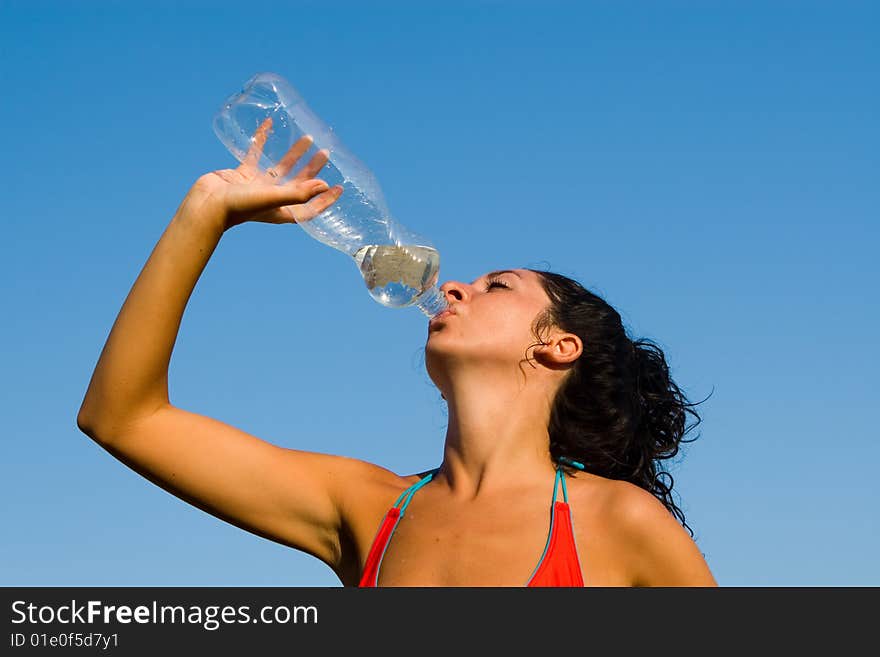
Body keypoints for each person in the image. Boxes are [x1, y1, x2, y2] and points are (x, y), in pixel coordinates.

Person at [77, 128, 718, 587]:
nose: (457, 285)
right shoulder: (365, 507)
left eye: (498, 285)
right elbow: (123, 418)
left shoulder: (620, 522)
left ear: (557, 346)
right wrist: (204, 213)